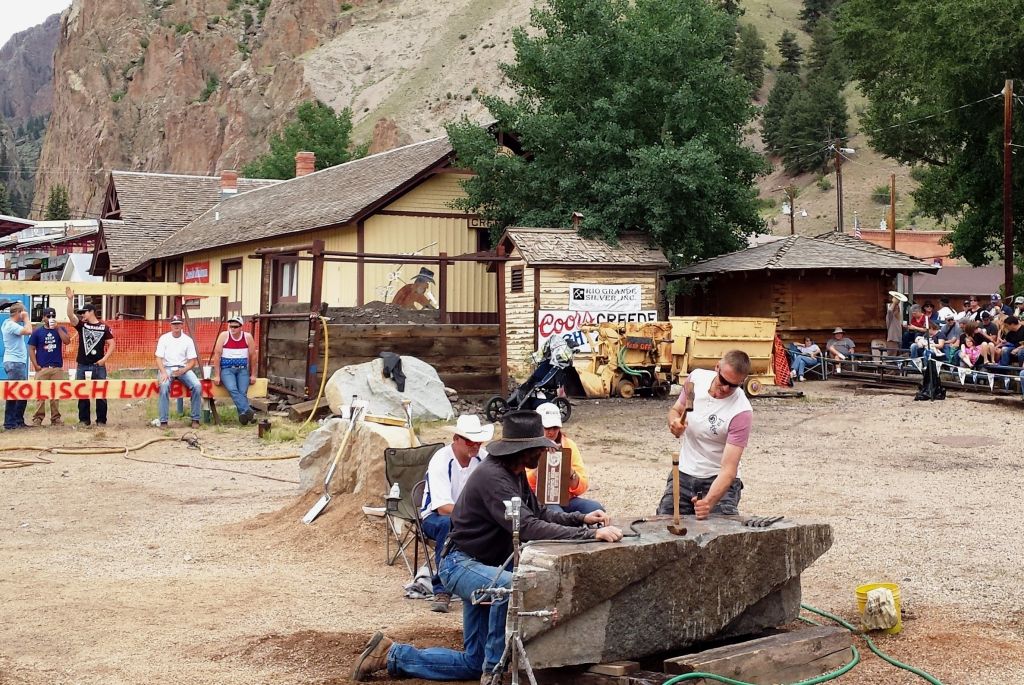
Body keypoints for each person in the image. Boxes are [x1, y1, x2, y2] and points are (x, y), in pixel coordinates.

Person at [352, 410, 623, 685]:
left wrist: (582, 519)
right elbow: (529, 526)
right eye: (539, 449)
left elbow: (538, 512)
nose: (543, 454)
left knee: (472, 661)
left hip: (481, 565)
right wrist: (587, 535)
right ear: (524, 449)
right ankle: (492, 673)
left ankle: (392, 655)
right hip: (461, 564)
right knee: (508, 587)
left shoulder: (512, 471)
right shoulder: (495, 478)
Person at [659, 350, 753, 520]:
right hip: (684, 473)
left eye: (733, 385)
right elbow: (676, 410)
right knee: (662, 526)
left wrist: (708, 502)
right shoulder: (696, 379)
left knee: (722, 534)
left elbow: (729, 470)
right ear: (717, 367)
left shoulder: (741, 411)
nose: (725, 388)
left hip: (717, 479)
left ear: (743, 381)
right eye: (723, 380)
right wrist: (674, 423)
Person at [419, 414, 493, 614]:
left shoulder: (484, 459)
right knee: (447, 524)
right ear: (456, 439)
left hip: (469, 516)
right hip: (434, 517)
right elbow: (442, 507)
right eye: (470, 441)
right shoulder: (441, 459)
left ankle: (487, 582)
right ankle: (442, 589)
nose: (475, 445)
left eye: (478, 441)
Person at [526, 402, 604, 515]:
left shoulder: (569, 445)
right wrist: (538, 472)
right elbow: (520, 484)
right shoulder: (528, 446)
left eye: (555, 427)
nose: (551, 432)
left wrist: (571, 473)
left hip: (566, 499)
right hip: (538, 500)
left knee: (597, 509)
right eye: (546, 427)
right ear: (537, 426)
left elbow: (583, 486)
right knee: (557, 514)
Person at [65, 287, 115, 427]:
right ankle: (84, 420)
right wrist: (70, 299)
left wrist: (104, 359)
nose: (82, 315)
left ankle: (101, 421)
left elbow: (112, 344)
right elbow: (70, 315)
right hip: (82, 364)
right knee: (82, 393)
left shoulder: (104, 327)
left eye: (84, 312)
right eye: (80, 313)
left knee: (101, 394)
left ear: (92, 312)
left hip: (98, 365)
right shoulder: (81, 326)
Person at [155, 315, 203, 429]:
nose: (176, 326)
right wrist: (163, 372)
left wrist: (184, 370)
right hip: (167, 367)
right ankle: (163, 420)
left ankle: (195, 418)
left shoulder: (188, 340)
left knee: (197, 386)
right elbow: (158, 358)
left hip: (183, 367)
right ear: (170, 325)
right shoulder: (164, 338)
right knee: (164, 385)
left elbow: (192, 361)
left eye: (178, 323)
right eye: (174, 324)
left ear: (182, 325)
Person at [28, 307, 71, 426]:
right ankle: (38, 418)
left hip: (56, 367)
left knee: (56, 394)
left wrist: (57, 328)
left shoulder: (60, 329)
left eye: (53, 316)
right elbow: (31, 348)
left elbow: (67, 341)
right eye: (48, 316)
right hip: (42, 367)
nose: (51, 319)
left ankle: (55, 418)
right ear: (43, 318)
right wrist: (35, 365)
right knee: (40, 394)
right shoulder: (38, 331)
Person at [211, 316, 256, 425]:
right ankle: (248, 411)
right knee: (232, 389)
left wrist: (253, 374)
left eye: (235, 327)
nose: (233, 329)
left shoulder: (247, 337)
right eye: (231, 326)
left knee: (242, 392)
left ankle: (243, 416)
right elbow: (217, 355)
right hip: (227, 369)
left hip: (242, 369)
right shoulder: (224, 336)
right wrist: (217, 375)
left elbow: (253, 356)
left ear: (241, 327)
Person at [2, 302, 34, 430]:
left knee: (18, 392)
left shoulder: (8, 324)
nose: (25, 314)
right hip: (15, 363)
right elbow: (29, 330)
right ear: (18, 312)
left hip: (16, 362)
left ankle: (16, 421)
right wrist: (26, 318)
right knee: (17, 393)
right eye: (23, 312)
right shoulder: (10, 325)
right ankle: (12, 422)